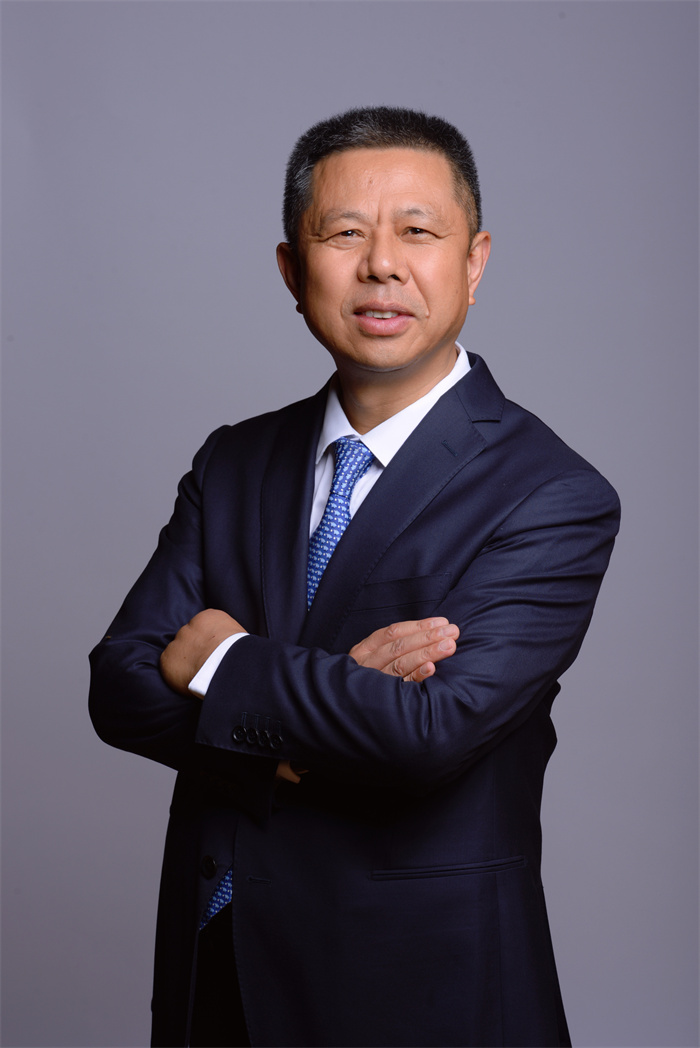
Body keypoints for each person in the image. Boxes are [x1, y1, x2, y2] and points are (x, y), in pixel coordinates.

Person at [89, 106, 620, 1048]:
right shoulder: (234, 461)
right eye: (343, 234)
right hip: (220, 972)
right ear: (293, 271)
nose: (381, 264)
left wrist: (222, 661)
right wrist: (295, 732)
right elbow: (120, 685)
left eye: (418, 231)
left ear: (475, 261)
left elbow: (427, 732)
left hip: (422, 991)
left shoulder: (550, 493)